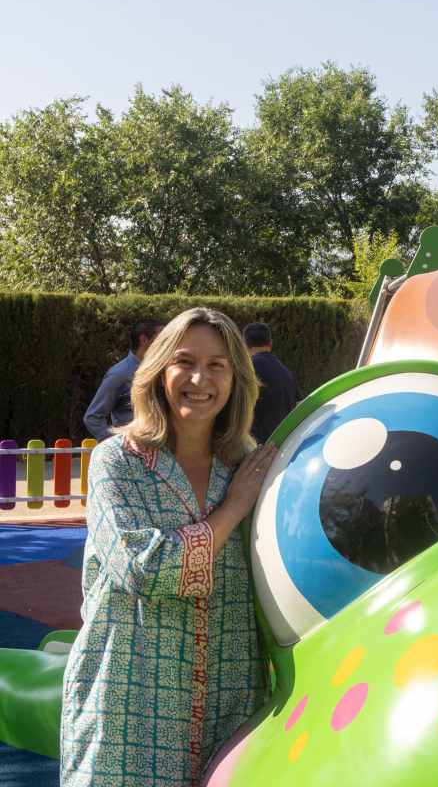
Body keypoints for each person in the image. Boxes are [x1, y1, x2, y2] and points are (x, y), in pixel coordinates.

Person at [60, 307, 279, 787]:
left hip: (229, 694)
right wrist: (234, 508)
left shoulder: (246, 462)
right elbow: (145, 568)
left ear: (236, 378)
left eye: (217, 365)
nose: (199, 378)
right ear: (159, 371)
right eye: (185, 361)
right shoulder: (117, 462)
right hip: (129, 700)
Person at [84, 319, 165, 440]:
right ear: (144, 340)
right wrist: (118, 446)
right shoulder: (119, 374)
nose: (168, 343)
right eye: (163, 339)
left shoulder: (165, 370)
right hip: (134, 452)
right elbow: (93, 417)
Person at [243, 322, 299, 444]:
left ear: (245, 344)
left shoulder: (246, 371)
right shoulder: (286, 372)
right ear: (270, 343)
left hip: (255, 450)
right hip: (283, 446)